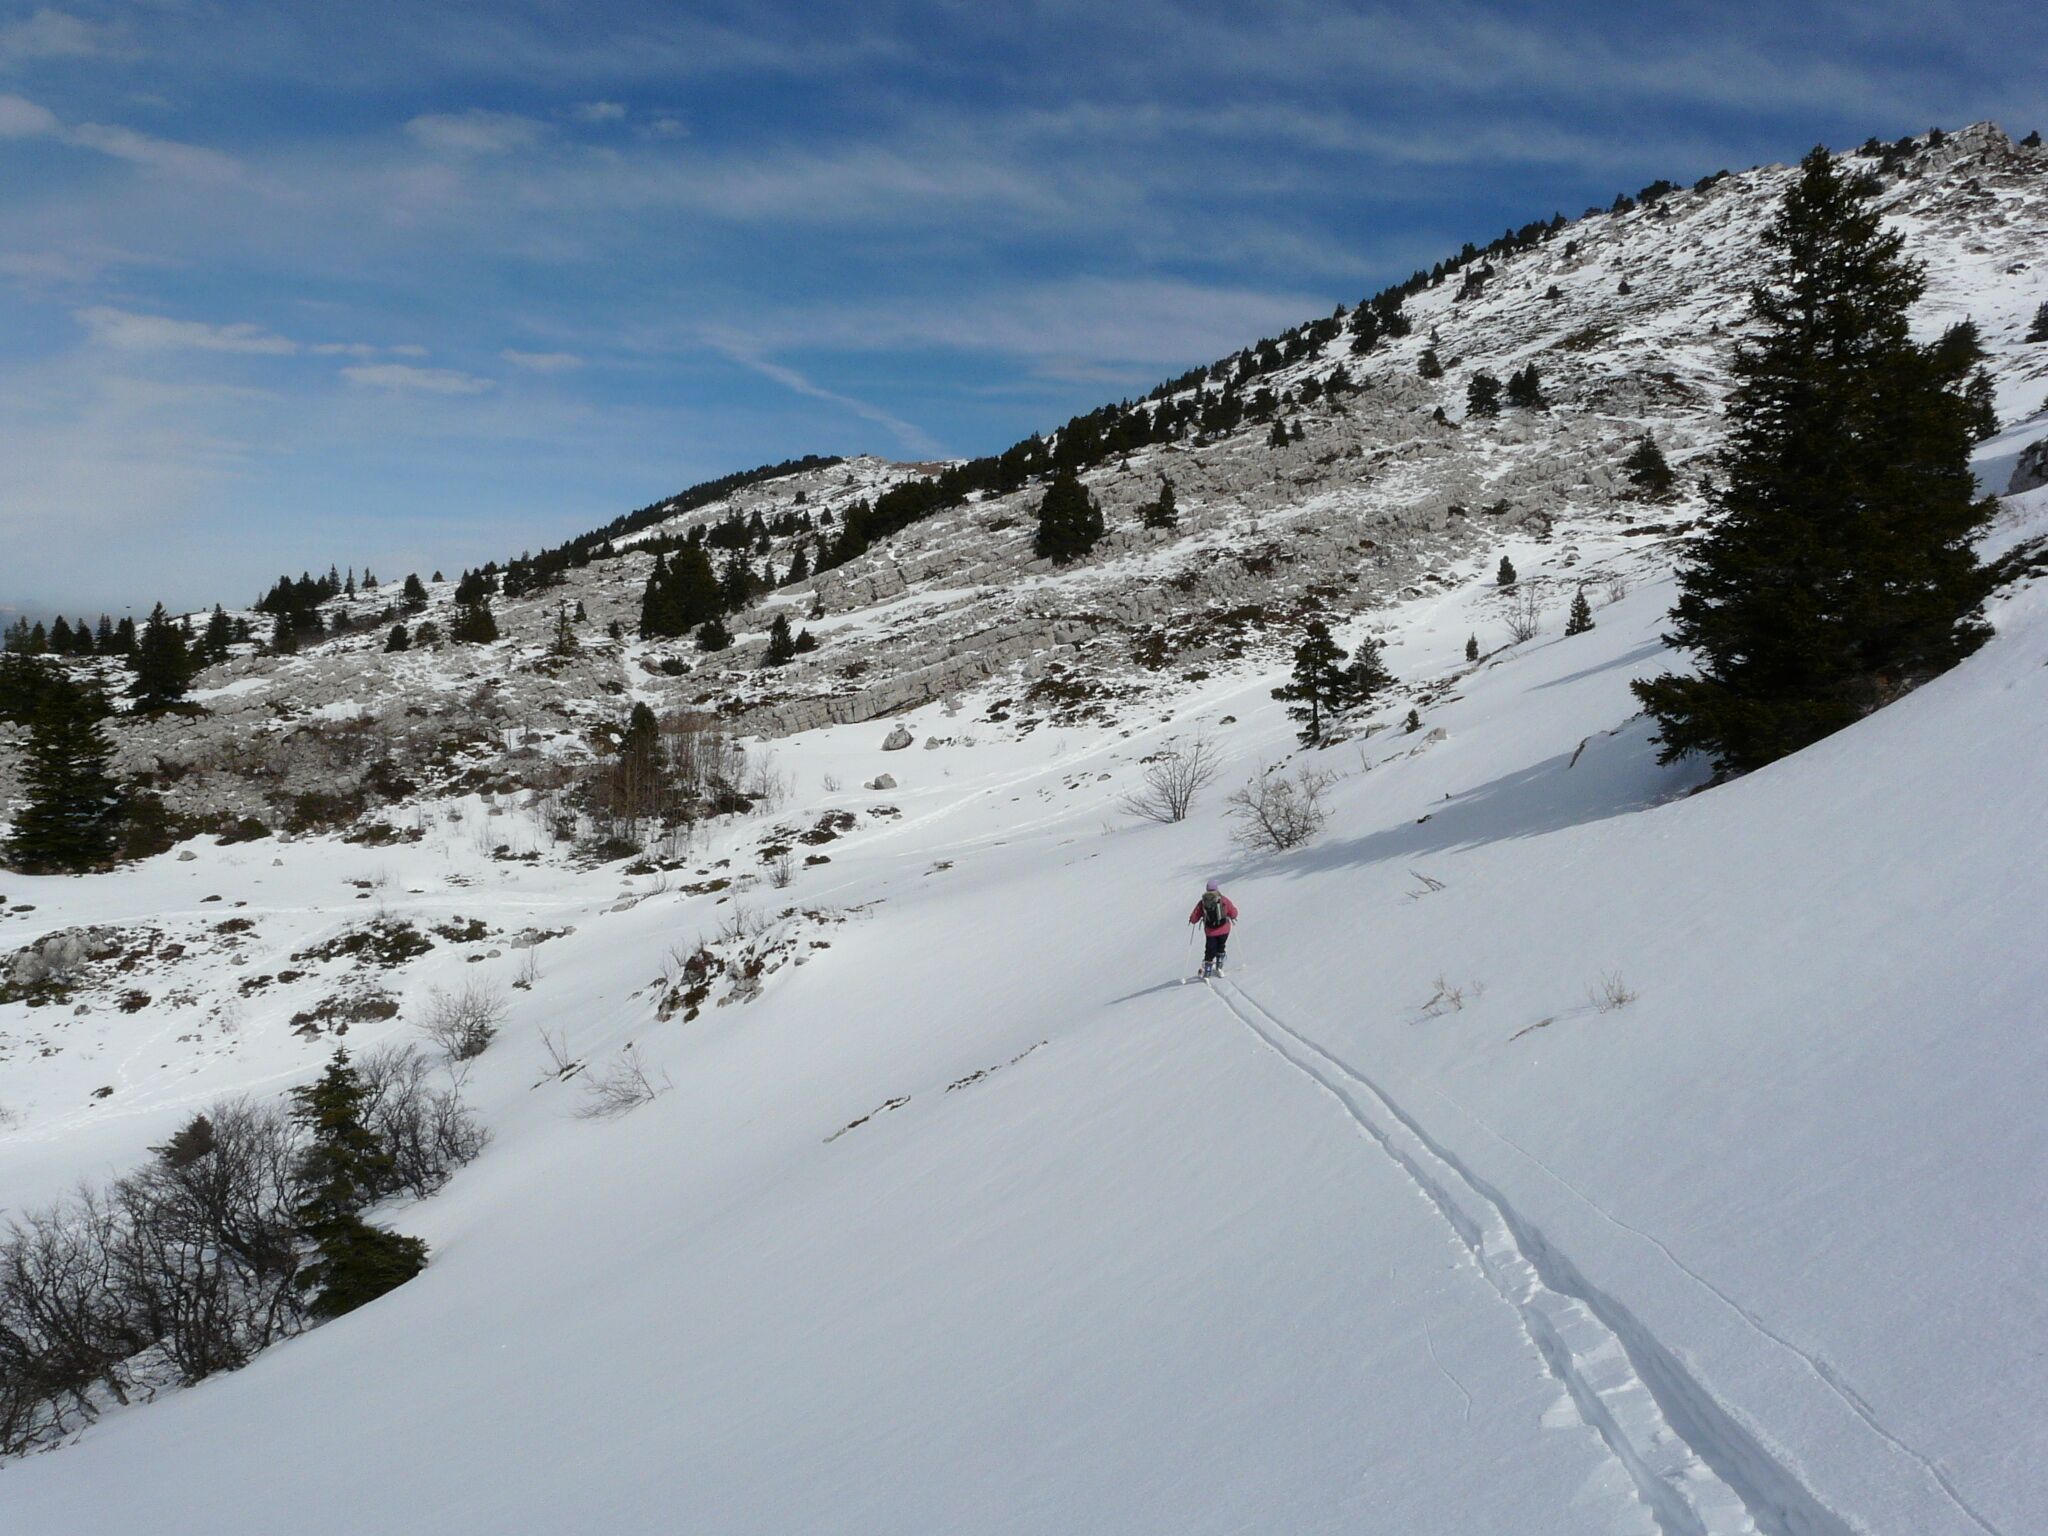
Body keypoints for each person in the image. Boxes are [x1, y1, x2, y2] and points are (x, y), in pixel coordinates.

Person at [1189, 880, 1238, 978]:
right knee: (1221, 946)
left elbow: (1194, 917)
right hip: (1224, 929)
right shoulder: (1223, 900)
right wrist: (1232, 915)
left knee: (1210, 949)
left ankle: (1207, 968)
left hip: (1210, 931)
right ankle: (1219, 964)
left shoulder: (1202, 902)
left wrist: (1192, 920)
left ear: (1207, 889)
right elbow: (1234, 913)